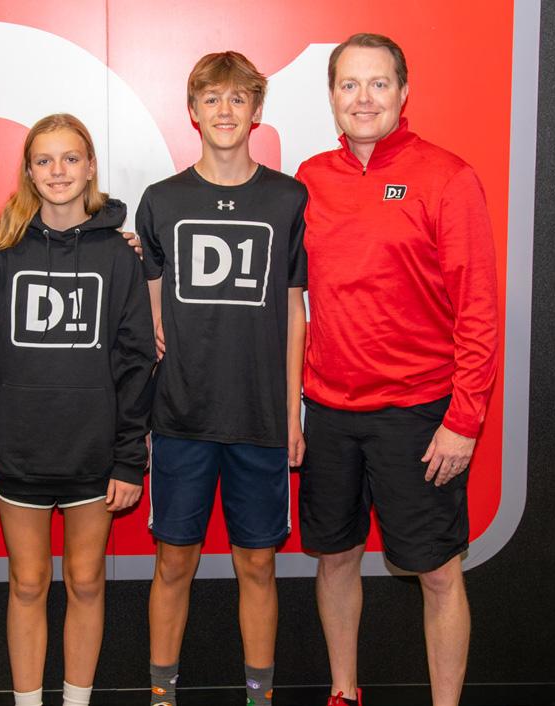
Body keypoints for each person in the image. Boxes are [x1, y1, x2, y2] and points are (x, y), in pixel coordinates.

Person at [294, 34, 499, 706]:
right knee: (336, 558)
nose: (363, 99)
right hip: (329, 412)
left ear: (404, 93)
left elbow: (478, 309)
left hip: (417, 415)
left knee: (437, 572)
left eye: (378, 83)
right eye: (349, 84)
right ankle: (343, 692)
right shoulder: (309, 179)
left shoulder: (447, 176)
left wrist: (464, 421)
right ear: (332, 95)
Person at [137, 52, 308, 706]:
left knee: (257, 564)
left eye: (238, 98)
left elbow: (294, 311)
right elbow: (150, 316)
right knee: (173, 561)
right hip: (181, 418)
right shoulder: (162, 201)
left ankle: (259, 697)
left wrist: (291, 414)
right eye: (212, 99)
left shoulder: (287, 198)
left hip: (259, 418)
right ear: (193, 111)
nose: (225, 111)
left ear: (257, 110)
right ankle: (161, 696)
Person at [0, 113, 155, 706]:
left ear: (90, 166)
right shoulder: (1, 251)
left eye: (71, 158)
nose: (58, 171)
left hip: (93, 455)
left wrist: (128, 459)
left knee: (86, 580)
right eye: (44, 160)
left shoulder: (118, 254)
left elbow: (135, 362)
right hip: (19, 450)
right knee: (27, 584)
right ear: (28, 170)